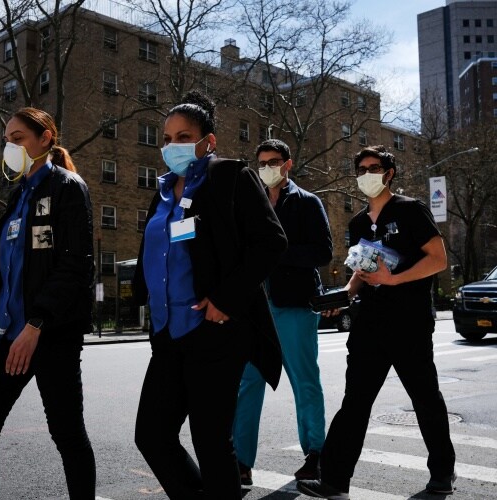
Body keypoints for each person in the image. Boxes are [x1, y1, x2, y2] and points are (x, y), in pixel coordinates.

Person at [132, 90, 288, 500]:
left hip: (214, 330)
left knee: (211, 441)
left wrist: (226, 299)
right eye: (167, 139)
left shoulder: (231, 177)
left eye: (184, 137)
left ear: (209, 141)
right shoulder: (163, 190)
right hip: (167, 333)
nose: (173, 146)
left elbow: (271, 242)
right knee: (152, 435)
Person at [297, 145, 456, 499]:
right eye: (362, 169)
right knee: (355, 401)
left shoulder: (411, 210)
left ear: (389, 173)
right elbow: (362, 270)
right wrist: (343, 296)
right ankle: (334, 481)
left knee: (425, 398)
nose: (367, 174)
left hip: (409, 322)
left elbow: (438, 259)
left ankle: (443, 472)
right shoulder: (357, 223)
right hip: (368, 324)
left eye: (374, 168)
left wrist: (394, 279)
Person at [0, 107, 96, 500]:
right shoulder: (18, 195)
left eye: (18, 138)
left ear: (45, 138)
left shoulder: (68, 187)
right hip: (8, 337)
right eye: (7, 140)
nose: (10, 147)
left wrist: (36, 323)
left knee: (68, 435)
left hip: (51, 335)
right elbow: (4, 271)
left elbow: (76, 265)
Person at [233, 139, 332, 485]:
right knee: (248, 383)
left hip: (295, 306)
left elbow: (323, 252)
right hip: (255, 307)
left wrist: (277, 252)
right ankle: (241, 463)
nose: (267, 168)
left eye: (273, 162)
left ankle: (316, 456)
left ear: (288, 164)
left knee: (304, 381)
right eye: (261, 163)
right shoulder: (250, 202)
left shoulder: (307, 202)